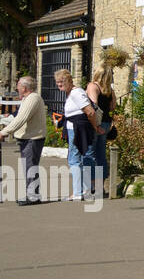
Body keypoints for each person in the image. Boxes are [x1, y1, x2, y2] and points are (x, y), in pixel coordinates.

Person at [55, 69, 103, 201]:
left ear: (69, 80)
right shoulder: (72, 93)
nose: (59, 84)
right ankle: (84, 190)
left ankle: (77, 192)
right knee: (79, 159)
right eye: (57, 82)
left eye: (62, 81)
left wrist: (95, 127)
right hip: (76, 129)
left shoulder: (76, 93)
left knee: (74, 160)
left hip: (78, 130)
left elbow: (90, 112)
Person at [0, 76, 47, 204]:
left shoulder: (33, 98)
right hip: (28, 138)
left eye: (18, 85)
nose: (17, 88)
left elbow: (21, 119)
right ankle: (33, 195)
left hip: (33, 138)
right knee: (29, 167)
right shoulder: (28, 99)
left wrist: (3, 132)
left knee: (30, 167)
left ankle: (32, 197)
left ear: (24, 88)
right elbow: (16, 118)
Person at [86, 68, 117, 199]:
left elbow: (94, 105)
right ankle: (101, 186)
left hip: (96, 123)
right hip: (106, 123)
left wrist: (95, 125)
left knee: (89, 153)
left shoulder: (93, 86)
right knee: (100, 154)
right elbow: (112, 107)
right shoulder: (110, 91)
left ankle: (92, 186)